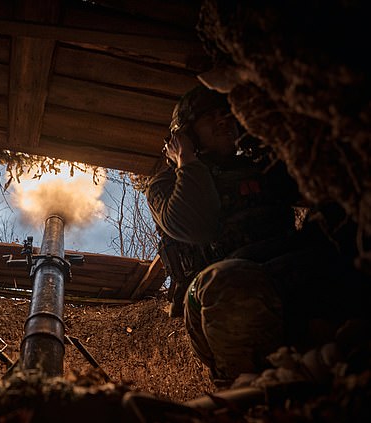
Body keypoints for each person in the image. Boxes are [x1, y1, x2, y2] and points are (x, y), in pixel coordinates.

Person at [145, 84, 369, 386]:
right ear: (184, 133)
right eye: (210, 117)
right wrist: (187, 160)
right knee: (229, 278)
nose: (224, 121)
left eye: (228, 114)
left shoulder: (262, 168)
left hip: (286, 275)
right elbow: (198, 226)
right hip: (221, 299)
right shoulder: (166, 184)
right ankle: (245, 390)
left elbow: (323, 185)